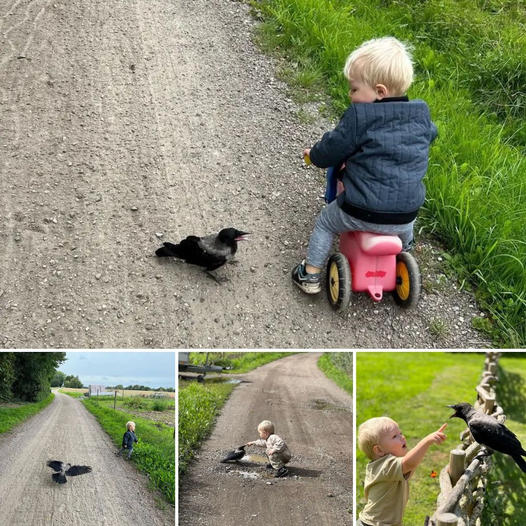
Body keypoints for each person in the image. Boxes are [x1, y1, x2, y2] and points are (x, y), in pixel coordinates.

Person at [292, 36, 438, 294]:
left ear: (380, 92)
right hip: (406, 214)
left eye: (355, 89)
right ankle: (403, 252)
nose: (350, 95)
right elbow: (432, 134)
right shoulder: (420, 114)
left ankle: (310, 274)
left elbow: (332, 148)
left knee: (326, 222)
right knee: (406, 214)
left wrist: (314, 156)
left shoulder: (360, 117)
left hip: (361, 210)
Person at [357, 416, 447, 526]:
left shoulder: (389, 466)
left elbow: (410, 465)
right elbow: (409, 463)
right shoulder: (384, 466)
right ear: (379, 450)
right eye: (395, 436)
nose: (402, 437)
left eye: (400, 433)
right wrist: (427, 441)